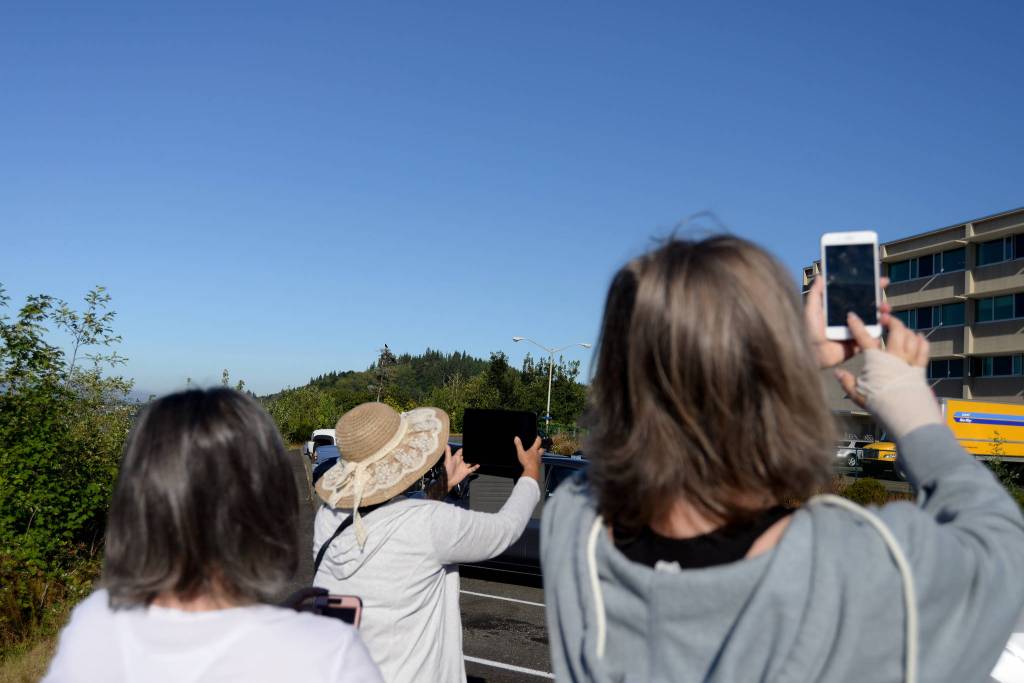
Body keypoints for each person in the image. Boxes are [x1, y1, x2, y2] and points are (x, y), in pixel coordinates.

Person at [541, 235, 1024, 683]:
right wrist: (910, 406)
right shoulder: (859, 568)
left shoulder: (575, 523)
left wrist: (774, 362)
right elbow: (1003, 549)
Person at [44, 388, 382, 683]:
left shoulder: (95, 623)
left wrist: (278, 618)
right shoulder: (329, 653)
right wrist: (286, 624)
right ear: (270, 504)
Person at [312, 402, 542, 683]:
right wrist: (530, 474)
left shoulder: (327, 517)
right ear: (403, 457)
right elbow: (505, 530)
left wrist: (442, 486)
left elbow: (388, 515)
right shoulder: (428, 523)